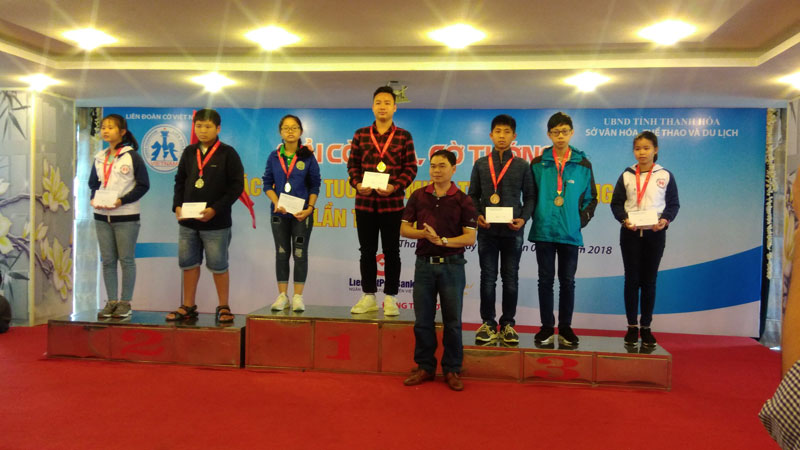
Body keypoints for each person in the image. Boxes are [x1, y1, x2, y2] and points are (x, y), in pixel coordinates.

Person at [400, 150, 477, 391]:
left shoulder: (463, 200)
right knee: (423, 321)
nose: (436, 170)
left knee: (452, 322)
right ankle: (425, 367)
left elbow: (470, 238)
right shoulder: (418, 195)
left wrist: (442, 241)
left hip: (452, 267)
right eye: (433, 166)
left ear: (453, 169)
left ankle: (452, 369)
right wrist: (423, 234)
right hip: (424, 266)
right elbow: (404, 229)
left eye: (442, 166)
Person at [167, 109, 244, 323]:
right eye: (199, 126)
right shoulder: (189, 152)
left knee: (219, 265)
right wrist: (177, 206)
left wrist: (215, 209)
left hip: (216, 222)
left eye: (208, 126)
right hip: (188, 222)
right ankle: (188, 306)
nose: (202, 130)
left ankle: (224, 306)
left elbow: (237, 186)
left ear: (218, 128)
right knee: (188, 264)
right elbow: (179, 181)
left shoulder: (228, 153)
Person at [347, 86, 418, 316]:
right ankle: (368, 295)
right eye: (378, 102)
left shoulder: (404, 136)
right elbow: (352, 166)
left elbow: (411, 168)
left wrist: (395, 187)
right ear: (372, 106)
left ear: (395, 107)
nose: (382, 106)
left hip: (392, 204)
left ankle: (391, 298)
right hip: (365, 204)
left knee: (392, 251)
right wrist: (357, 184)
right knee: (366, 251)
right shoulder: (360, 134)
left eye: (387, 102)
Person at [529, 112, 597, 346]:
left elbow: (591, 198)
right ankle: (547, 327)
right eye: (555, 132)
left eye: (564, 131)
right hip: (544, 231)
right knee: (545, 281)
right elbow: (531, 196)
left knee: (567, 281)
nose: (560, 136)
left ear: (572, 133)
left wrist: (579, 220)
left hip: (570, 232)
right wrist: (537, 215)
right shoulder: (538, 163)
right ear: (549, 134)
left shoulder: (583, 164)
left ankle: (566, 328)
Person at [468, 114, 534, 345]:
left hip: (512, 232)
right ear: (491, 135)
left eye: (507, 132)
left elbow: (531, 197)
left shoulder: (522, 165)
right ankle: (488, 323)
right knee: (487, 278)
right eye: (498, 131)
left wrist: (523, 219)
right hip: (487, 232)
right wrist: (477, 215)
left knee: (510, 279)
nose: (502, 136)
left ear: (514, 136)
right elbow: (472, 195)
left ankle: (507, 324)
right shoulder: (480, 164)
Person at [610, 131, 679, 347]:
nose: (642, 152)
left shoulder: (665, 175)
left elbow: (673, 204)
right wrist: (624, 220)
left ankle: (646, 327)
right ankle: (632, 327)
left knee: (649, 281)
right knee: (631, 280)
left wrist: (665, 220)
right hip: (630, 233)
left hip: (655, 234)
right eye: (638, 148)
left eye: (646, 148)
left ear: (655, 150)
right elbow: (616, 203)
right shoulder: (627, 175)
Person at [89, 114, 150, 319]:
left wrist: (121, 201)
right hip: (101, 215)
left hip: (126, 216)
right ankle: (111, 302)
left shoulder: (131, 156)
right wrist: (93, 198)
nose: (105, 131)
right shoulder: (100, 156)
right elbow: (93, 183)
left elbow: (143, 185)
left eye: (111, 127)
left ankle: (125, 302)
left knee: (126, 260)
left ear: (122, 132)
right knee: (107, 260)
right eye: (103, 127)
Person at [262, 114, 321, 312]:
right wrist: (276, 202)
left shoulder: (308, 156)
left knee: (299, 253)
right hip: (279, 214)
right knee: (281, 253)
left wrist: (309, 209)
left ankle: (297, 297)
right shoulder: (274, 157)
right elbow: (266, 183)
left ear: (301, 132)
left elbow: (315, 185)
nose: (290, 131)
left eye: (294, 127)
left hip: (301, 215)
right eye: (286, 128)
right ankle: (282, 296)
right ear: (280, 132)